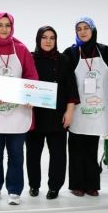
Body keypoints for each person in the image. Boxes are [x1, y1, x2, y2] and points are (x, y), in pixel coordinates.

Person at [0, 12, 38, 206]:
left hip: (18, 113)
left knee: (16, 153)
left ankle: (14, 190)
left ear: (12, 27)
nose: (4, 29)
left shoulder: (22, 50)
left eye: (7, 25)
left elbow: (32, 77)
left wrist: (30, 96)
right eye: (0, 25)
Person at [64, 18, 108, 197]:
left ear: (93, 30)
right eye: (78, 29)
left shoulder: (105, 51)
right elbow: (67, 83)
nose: (82, 32)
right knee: (76, 147)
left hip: (98, 109)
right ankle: (77, 185)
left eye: (86, 28)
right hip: (77, 109)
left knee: (92, 147)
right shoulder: (71, 53)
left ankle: (92, 184)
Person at [26, 26, 79, 200]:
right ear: (38, 39)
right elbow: (23, 84)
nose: (48, 41)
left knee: (58, 154)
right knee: (33, 153)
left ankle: (55, 187)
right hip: (34, 115)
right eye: (44, 37)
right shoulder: (29, 58)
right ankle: (34, 185)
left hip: (57, 115)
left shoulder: (64, 60)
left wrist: (69, 112)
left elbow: (71, 89)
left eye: (52, 38)